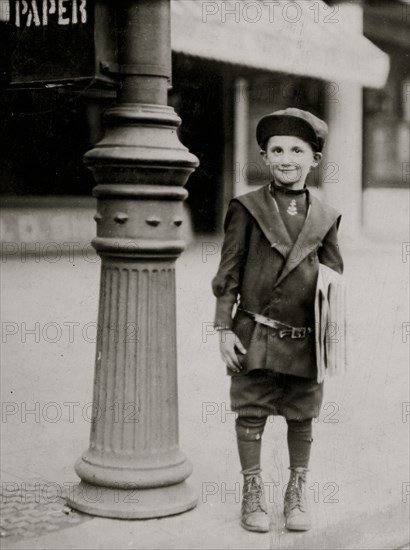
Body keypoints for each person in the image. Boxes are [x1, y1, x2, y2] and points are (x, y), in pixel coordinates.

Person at [211, 107, 344, 533]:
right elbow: (228, 272)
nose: (286, 158)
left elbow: (334, 276)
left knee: (301, 414)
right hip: (255, 332)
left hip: (306, 337)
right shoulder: (246, 208)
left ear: (315, 160)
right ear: (264, 157)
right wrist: (223, 327)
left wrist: (331, 330)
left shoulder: (326, 217)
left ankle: (295, 490)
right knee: (251, 410)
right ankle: (253, 490)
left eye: (297, 150)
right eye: (277, 150)